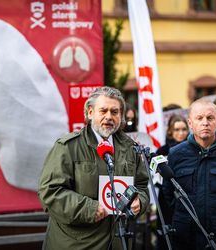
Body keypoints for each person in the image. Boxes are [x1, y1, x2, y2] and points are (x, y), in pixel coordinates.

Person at [38, 86, 149, 250]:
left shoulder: (131, 148)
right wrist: (90, 209)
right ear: (90, 113)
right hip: (77, 244)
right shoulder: (68, 146)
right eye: (103, 111)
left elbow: (142, 185)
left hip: (119, 241)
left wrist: (140, 201)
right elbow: (50, 192)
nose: (109, 117)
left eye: (114, 112)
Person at [163, 99, 216, 250]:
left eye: (210, 118)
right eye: (199, 118)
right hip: (185, 240)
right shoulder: (176, 154)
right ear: (190, 123)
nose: (205, 123)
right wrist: (182, 221)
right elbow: (168, 195)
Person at [155, 114, 189, 250]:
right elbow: (155, 176)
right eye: (177, 130)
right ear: (170, 131)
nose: (181, 133)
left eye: (183, 129)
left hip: (187, 194)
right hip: (165, 197)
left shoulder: (192, 149)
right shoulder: (162, 151)